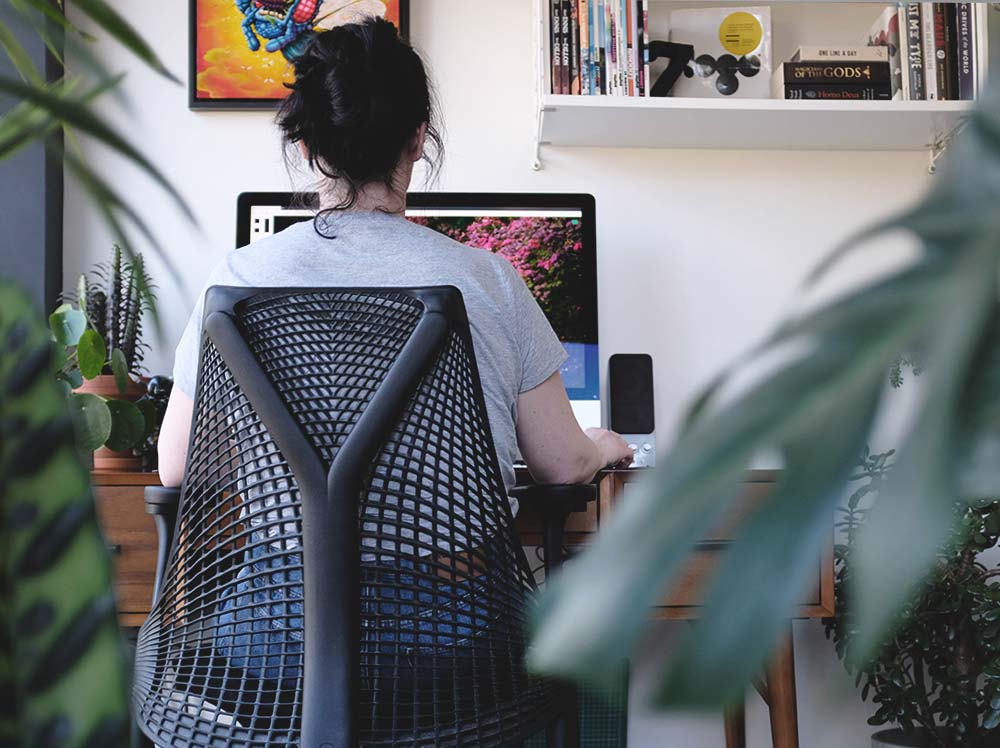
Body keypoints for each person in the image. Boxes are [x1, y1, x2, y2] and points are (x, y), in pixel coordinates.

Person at [158, 16, 633, 495]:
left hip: (284, 571)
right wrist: (601, 446)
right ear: (417, 139)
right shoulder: (489, 279)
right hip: (457, 571)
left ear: (304, 146)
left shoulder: (237, 280)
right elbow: (563, 464)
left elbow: (176, 467)